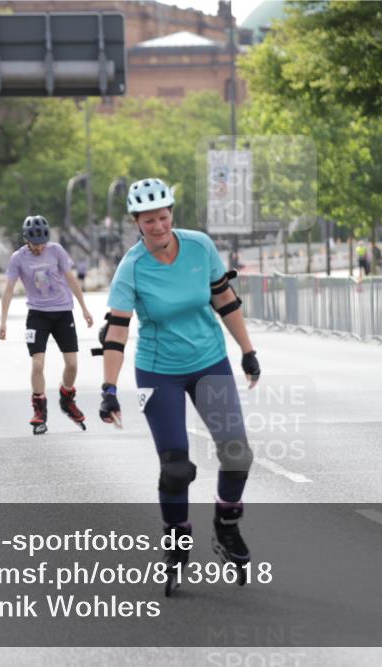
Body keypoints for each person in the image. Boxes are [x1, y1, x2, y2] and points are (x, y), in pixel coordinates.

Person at [94, 178, 260, 595]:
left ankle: (226, 527)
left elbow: (224, 298)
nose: (158, 226)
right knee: (175, 468)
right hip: (158, 370)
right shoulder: (132, 266)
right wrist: (109, 388)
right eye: (148, 220)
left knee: (237, 452)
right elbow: (116, 330)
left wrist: (247, 350)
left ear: (172, 214)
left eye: (163, 217)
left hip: (209, 361)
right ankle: (176, 542)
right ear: (137, 222)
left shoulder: (200, 246)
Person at [0, 216, 93, 435]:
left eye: (42, 243)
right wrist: (3, 321)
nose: (39, 248)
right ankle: (40, 411)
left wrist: (84, 308)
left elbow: (71, 279)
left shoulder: (57, 251)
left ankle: (67, 399)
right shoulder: (18, 258)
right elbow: (9, 289)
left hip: (63, 313)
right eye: (34, 244)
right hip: (37, 315)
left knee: (72, 364)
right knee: (38, 364)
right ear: (26, 240)